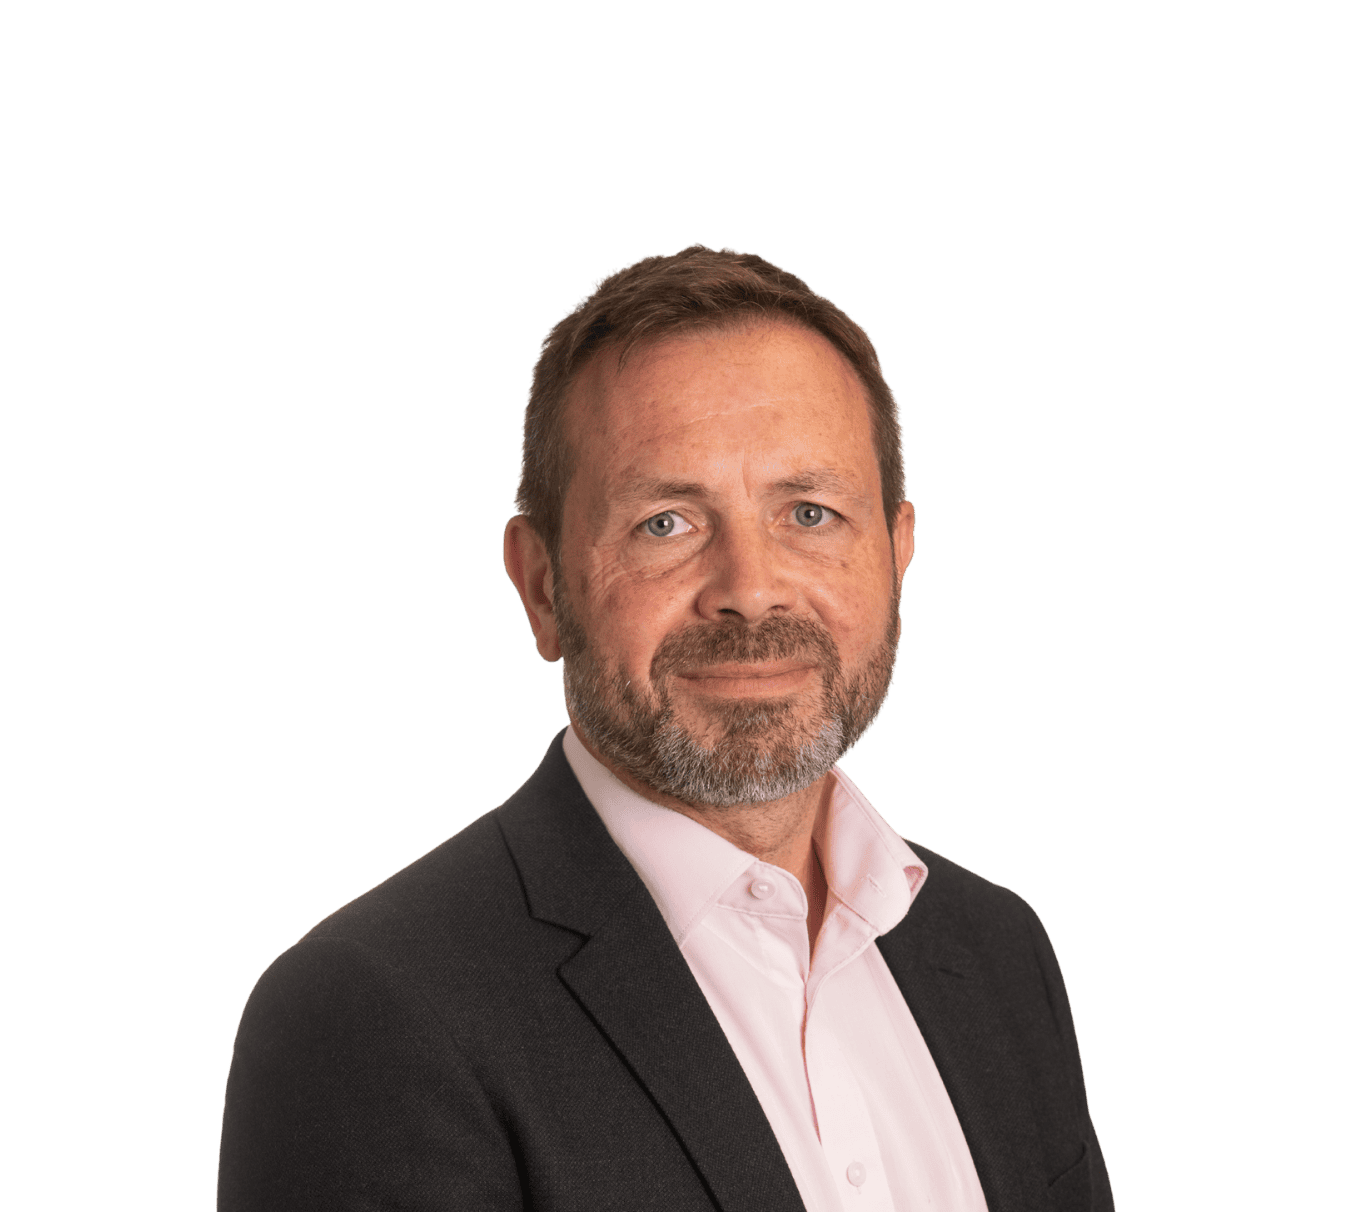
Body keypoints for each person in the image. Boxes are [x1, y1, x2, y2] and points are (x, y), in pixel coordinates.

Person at [217, 244, 1113, 1212]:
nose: (750, 589)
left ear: (895, 555)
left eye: (808, 513)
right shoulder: (374, 1017)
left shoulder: (993, 954)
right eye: (666, 524)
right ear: (542, 585)